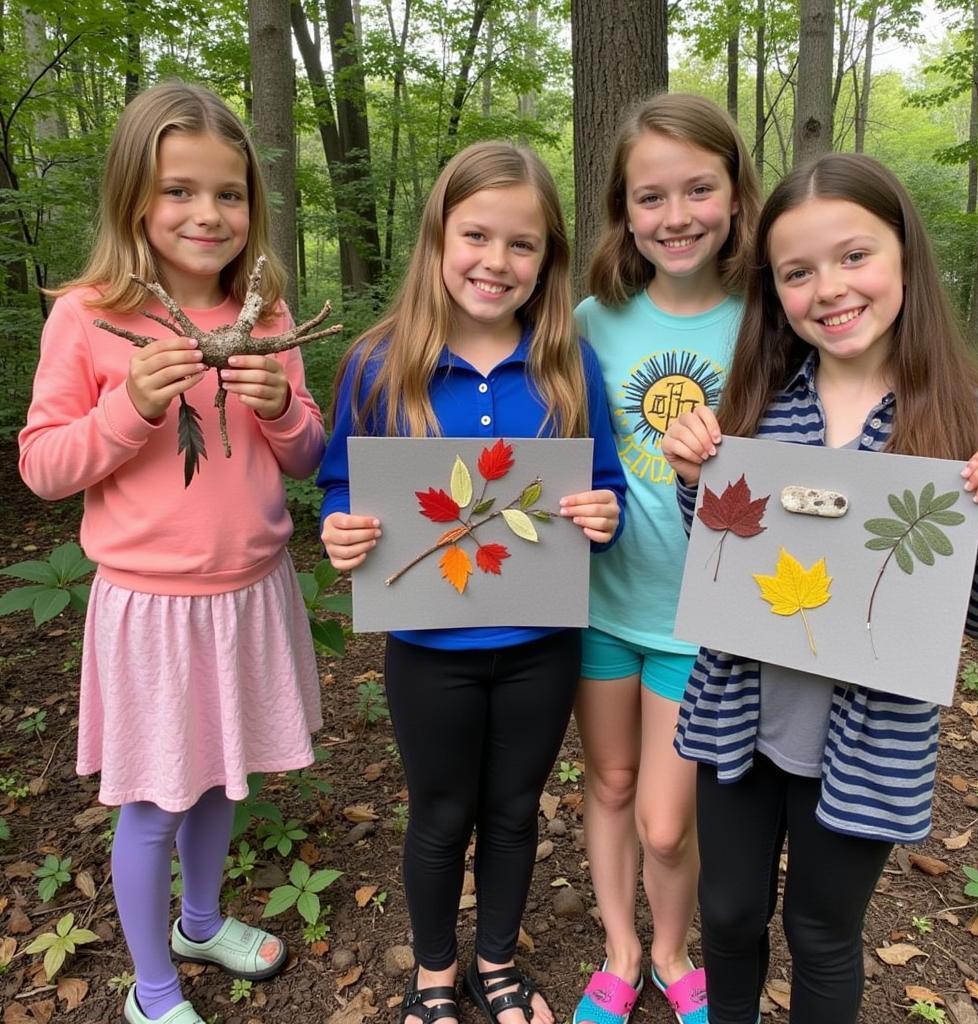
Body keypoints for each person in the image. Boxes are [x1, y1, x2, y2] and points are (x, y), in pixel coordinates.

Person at [661, 152, 978, 1024]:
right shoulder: (756, 401)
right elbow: (721, 574)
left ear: (904, 257)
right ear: (774, 289)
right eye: (798, 271)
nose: (829, 287)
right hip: (740, 720)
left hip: (869, 744)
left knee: (822, 933)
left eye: (854, 256)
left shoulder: (966, 421)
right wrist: (691, 482)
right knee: (729, 912)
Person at [19, 83, 324, 1024]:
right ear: (134, 201)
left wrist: (279, 408)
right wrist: (129, 409)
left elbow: (309, 454)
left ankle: (199, 922)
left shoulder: (268, 316)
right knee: (154, 801)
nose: (208, 213)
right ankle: (153, 992)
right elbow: (43, 465)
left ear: (252, 208)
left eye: (229, 194)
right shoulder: (87, 316)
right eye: (180, 190)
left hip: (251, 592)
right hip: (151, 605)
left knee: (226, 774)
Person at [318, 140, 626, 1024]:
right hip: (429, 646)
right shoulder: (382, 365)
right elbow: (342, 483)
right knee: (440, 812)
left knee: (515, 809)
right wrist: (341, 529)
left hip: (541, 642)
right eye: (477, 236)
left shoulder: (568, 365)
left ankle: (498, 964)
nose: (497, 262)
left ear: (548, 259)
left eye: (522, 244)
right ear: (438, 239)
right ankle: (434, 978)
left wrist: (604, 518)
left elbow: (603, 488)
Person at [571, 93, 760, 1024]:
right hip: (601, 601)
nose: (675, 216)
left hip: (705, 619)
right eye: (651, 197)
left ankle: (676, 947)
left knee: (665, 818)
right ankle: (621, 950)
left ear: (734, 196)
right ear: (623, 208)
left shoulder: (769, 320)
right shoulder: (591, 321)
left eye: (698, 189)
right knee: (607, 784)